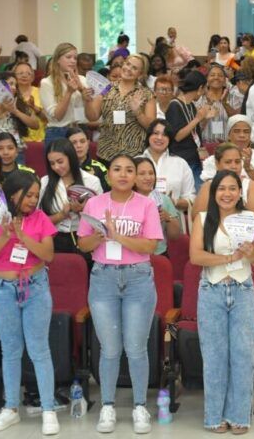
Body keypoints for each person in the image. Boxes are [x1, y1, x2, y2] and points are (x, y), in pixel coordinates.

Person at [77, 154, 163, 434]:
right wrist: (101, 236)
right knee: (110, 348)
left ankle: (140, 406)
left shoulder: (146, 204)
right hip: (104, 278)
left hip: (138, 278)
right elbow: (82, 244)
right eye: (117, 169)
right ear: (109, 175)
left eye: (130, 170)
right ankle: (108, 405)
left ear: (137, 176)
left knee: (137, 348)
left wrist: (118, 236)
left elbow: (151, 246)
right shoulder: (94, 203)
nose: (124, 174)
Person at [0, 170, 59, 435]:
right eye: (28, 195)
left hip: (34, 286)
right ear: (13, 194)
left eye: (36, 195)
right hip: (1, 290)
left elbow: (48, 255)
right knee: (10, 350)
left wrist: (23, 236)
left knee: (39, 349)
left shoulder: (40, 218)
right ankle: (10, 408)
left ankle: (48, 409)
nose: (33, 200)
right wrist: (3, 236)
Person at [188, 169, 254, 433]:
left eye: (232, 188)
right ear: (214, 192)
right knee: (214, 356)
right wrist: (229, 259)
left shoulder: (251, 219)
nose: (227, 194)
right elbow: (196, 256)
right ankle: (214, 417)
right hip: (212, 290)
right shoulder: (201, 218)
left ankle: (239, 416)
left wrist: (249, 253)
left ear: (239, 192)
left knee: (243, 355)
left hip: (243, 290)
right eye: (221, 188)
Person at [39, 138, 102, 261]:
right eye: (52, 163)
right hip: (53, 239)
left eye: (60, 161)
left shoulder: (91, 181)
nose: (56, 167)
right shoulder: (45, 182)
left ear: (71, 158)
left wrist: (81, 211)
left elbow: (100, 221)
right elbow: (39, 221)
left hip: (83, 240)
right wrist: (61, 215)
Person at [87, 54, 155, 162]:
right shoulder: (107, 88)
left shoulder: (146, 94)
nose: (128, 69)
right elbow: (92, 116)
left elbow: (152, 127)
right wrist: (88, 100)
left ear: (140, 74)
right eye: (128, 64)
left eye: (134, 68)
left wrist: (138, 113)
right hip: (106, 152)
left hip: (133, 155)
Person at [193, 144, 254, 221]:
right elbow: (197, 219)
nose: (233, 166)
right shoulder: (208, 186)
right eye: (228, 162)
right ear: (217, 164)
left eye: (237, 162)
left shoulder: (250, 186)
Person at [39, 43, 94, 147]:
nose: (73, 61)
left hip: (79, 130)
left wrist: (81, 89)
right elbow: (57, 116)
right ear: (58, 60)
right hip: (58, 132)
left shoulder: (82, 80)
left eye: (75, 58)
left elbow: (91, 115)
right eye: (68, 57)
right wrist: (69, 92)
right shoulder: (47, 83)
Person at [165, 69, 212, 190]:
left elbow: (194, 131)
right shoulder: (174, 105)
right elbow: (178, 136)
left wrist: (204, 119)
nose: (203, 93)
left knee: (196, 194)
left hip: (194, 157)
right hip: (182, 160)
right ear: (200, 88)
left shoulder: (190, 105)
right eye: (204, 89)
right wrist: (198, 118)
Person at [140, 119, 195, 212]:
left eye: (165, 135)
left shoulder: (180, 163)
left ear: (170, 139)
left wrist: (174, 202)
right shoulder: (135, 162)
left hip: (173, 219)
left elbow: (191, 197)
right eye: (156, 133)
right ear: (148, 135)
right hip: (140, 218)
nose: (160, 138)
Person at [133, 157, 181, 256]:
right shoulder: (125, 200)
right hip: (131, 255)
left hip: (159, 254)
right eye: (142, 174)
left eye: (151, 173)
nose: (148, 177)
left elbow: (175, 236)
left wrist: (168, 218)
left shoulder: (164, 200)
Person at [197, 64, 234, 143]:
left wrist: (225, 103)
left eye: (220, 75)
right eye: (212, 75)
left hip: (227, 146)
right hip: (205, 146)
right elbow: (195, 127)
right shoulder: (199, 100)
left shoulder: (232, 98)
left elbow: (237, 121)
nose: (216, 77)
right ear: (207, 79)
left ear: (225, 80)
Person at [66, 127, 109, 192]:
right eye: (74, 143)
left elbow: (108, 193)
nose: (79, 145)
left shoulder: (100, 168)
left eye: (82, 141)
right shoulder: (63, 168)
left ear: (88, 143)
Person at [13, 62, 46, 142]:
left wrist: (34, 108)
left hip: (39, 140)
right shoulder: (11, 93)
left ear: (32, 77)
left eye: (28, 73)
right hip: (16, 141)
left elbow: (47, 118)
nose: (24, 76)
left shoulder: (41, 92)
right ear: (14, 77)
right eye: (20, 73)